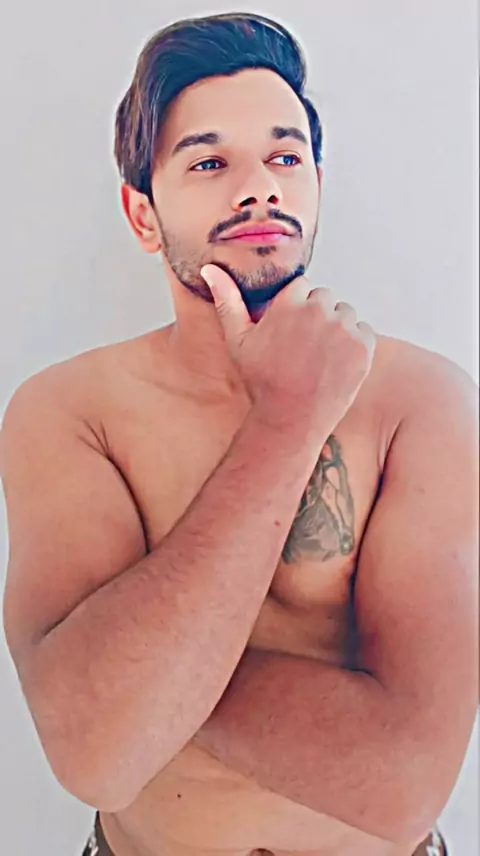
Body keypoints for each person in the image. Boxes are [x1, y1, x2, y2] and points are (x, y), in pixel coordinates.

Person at [0, 12, 477, 856]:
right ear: (143, 216)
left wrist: (143, 689)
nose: (260, 188)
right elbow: (97, 760)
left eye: (285, 158)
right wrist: (287, 422)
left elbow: (405, 784)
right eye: (209, 162)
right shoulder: (70, 413)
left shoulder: (420, 401)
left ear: (317, 184)